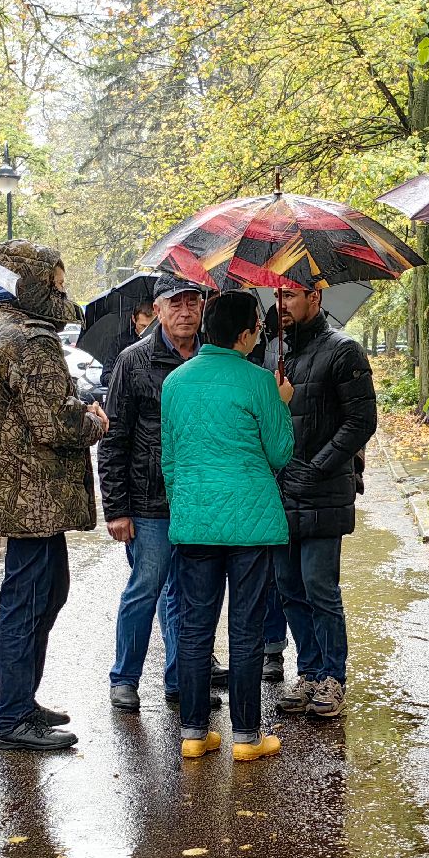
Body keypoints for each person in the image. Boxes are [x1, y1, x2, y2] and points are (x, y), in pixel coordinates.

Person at [0, 239, 109, 751]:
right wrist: (93, 421)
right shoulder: (30, 340)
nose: (62, 290)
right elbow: (53, 423)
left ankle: (21, 701)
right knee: (29, 601)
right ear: (28, 281)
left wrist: (75, 404)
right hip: (33, 500)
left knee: (45, 593)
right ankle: (12, 716)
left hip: (22, 497)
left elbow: (30, 410)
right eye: (55, 280)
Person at [160, 291, 295, 760]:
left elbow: (170, 460)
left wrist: (186, 506)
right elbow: (280, 453)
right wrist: (280, 403)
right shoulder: (259, 381)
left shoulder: (175, 382)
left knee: (195, 627)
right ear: (244, 335)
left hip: (194, 521)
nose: (260, 331)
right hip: (250, 525)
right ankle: (246, 738)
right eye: (257, 325)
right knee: (246, 628)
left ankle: (194, 734)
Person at [98, 273, 224, 712]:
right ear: (157, 310)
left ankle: (180, 681)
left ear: (203, 306)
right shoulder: (133, 362)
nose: (185, 312)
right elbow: (114, 439)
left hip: (196, 499)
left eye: (192, 302)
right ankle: (124, 678)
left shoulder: (213, 357)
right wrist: (116, 508)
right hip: (148, 500)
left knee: (188, 593)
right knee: (145, 588)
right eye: (175, 304)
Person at [272, 286, 377, 719]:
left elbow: (361, 420)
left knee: (319, 585)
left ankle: (333, 676)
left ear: (315, 297)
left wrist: (316, 467)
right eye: (278, 298)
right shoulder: (272, 356)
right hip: (278, 492)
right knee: (289, 588)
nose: (283, 306)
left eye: (292, 296)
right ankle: (309, 671)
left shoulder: (343, 350)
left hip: (322, 489)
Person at [104, 301, 155, 367]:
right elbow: (107, 373)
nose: (147, 330)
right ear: (134, 319)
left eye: (151, 326)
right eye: (142, 326)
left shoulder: (162, 340)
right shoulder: (120, 342)